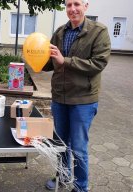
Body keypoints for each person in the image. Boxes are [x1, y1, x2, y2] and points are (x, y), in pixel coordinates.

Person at [43, 0, 111, 191]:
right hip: (60, 98)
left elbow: (98, 63)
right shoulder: (60, 32)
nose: (72, 9)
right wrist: (36, 58)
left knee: (79, 149)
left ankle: (81, 187)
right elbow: (51, 62)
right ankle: (64, 177)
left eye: (76, 4)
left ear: (86, 6)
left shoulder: (99, 31)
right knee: (61, 144)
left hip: (83, 100)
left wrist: (64, 60)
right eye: (68, 5)